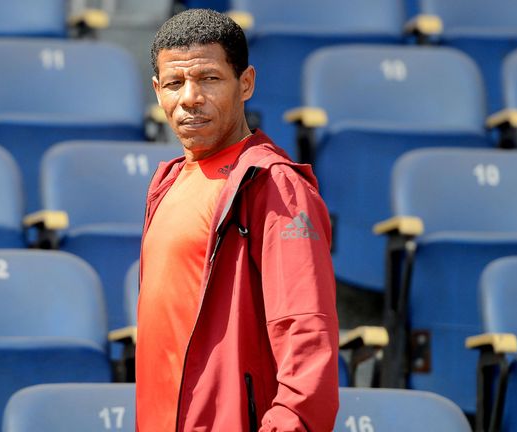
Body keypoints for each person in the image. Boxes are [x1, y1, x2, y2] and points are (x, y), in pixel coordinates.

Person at [136, 8, 339, 432]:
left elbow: (306, 335)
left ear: (245, 83)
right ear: (157, 92)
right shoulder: (167, 183)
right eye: (175, 83)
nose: (190, 97)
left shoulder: (275, 186)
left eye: (209, 78)